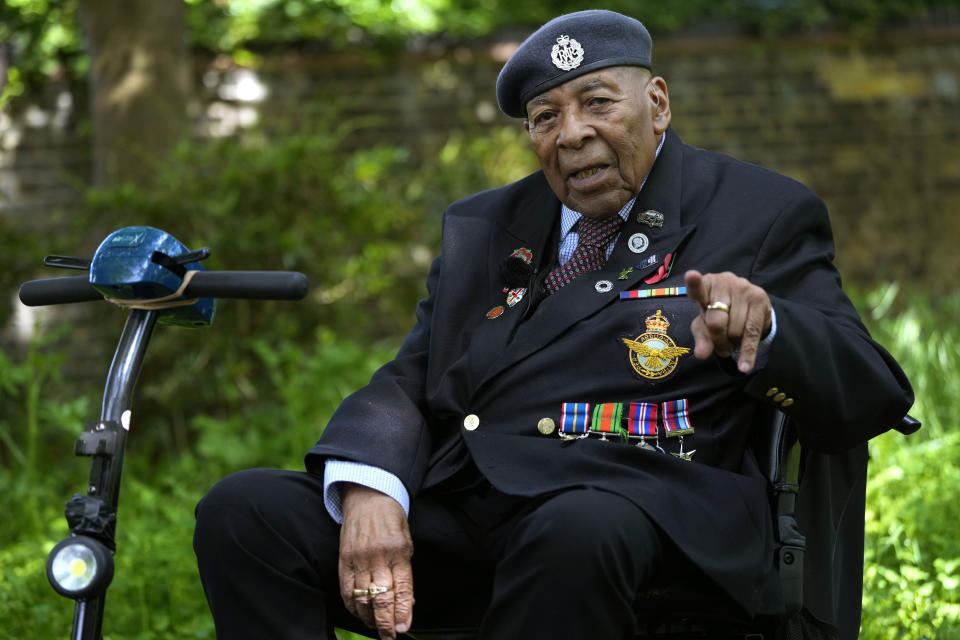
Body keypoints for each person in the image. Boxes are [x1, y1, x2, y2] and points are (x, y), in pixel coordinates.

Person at [193, 10, 913, 640]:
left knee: (574, 531)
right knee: (246, 513)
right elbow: (417, 376)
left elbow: (872, 388)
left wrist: (773, 326)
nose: (572, 135)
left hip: (639, 510)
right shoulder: (486, 225)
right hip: (472, 510)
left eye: (597, 102)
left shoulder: (756, 211)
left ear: (657, 104)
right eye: (545, 117)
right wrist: (370, 482)